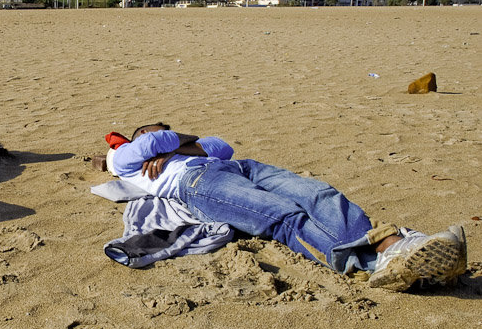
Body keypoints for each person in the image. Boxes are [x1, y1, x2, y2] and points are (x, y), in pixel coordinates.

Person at [107, 123, 467, 292]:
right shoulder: (124, 158)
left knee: (317, 194)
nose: (162, 133)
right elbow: (157, 140)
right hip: (199, 185)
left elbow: (222, 146)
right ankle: (374, 260)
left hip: (239, 166)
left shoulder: (180, 149)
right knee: (282, 216)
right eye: (149, 131)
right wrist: (170, 144)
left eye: (169, 128)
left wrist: (179, 147)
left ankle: (393, 247)